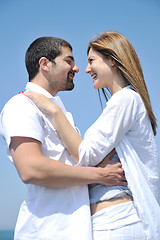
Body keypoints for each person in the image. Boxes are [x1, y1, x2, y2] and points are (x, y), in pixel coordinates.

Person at [23, 32, 160, 240]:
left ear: (112, 60)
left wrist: (52, 110)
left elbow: (85, 155)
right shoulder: (126, 101)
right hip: (115, 221)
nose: (86, 69)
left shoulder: (125, 100)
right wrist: (97, 170)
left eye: (91, 61)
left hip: (115, 222)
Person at [0, 37, 126, 240]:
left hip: (76, 231)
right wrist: (99, 175)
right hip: (46, 231)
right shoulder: (20, 105)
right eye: (69, 61)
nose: (77, 68)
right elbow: (30, 168)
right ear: (45, 64)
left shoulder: (60, 111)